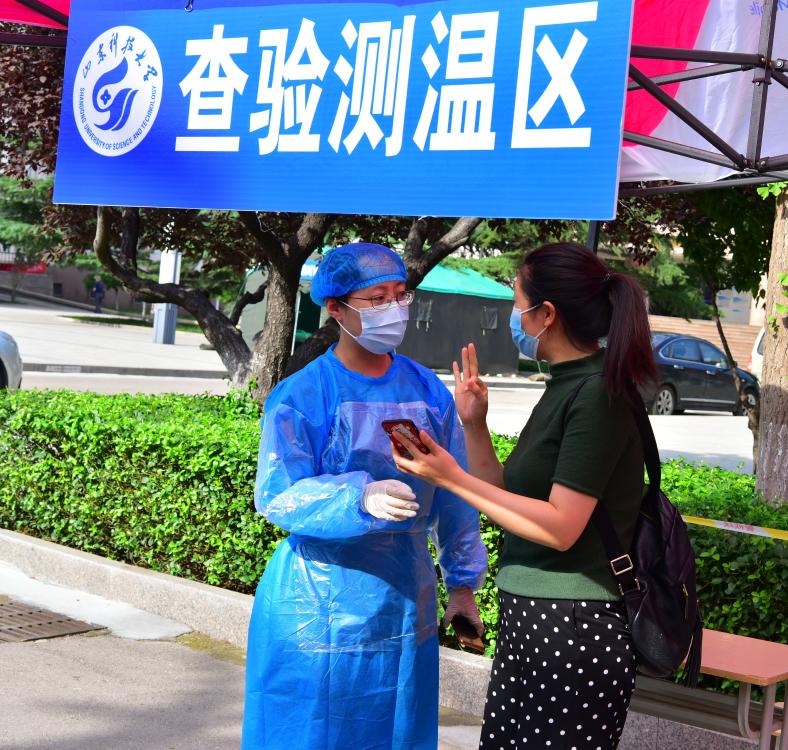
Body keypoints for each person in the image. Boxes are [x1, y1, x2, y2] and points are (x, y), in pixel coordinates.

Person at [390, 242, 657, 749]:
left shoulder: (597, 394)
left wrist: (451, 478)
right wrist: (474, 425)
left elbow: (560, 527)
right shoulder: (566, 385)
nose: (514, 317)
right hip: (534, 618)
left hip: (572, 628)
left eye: (517, 303)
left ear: (546, 314)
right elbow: (506, 500)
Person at [241, 243, 488, 750]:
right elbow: (279, 493)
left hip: (404, 599)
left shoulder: (428, 391)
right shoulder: (303, 394)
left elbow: (455, 495)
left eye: (400, 295)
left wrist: (463, 586)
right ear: (335, 307)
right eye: (377, 298)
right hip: (317, 601)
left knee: (395, 729)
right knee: (314, 731)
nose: (393, 308)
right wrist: (358, 497)